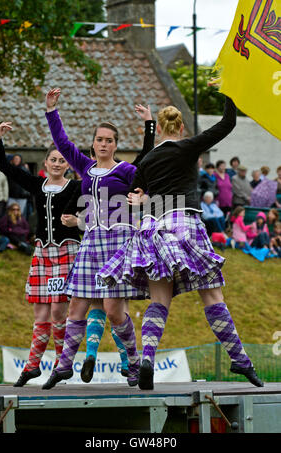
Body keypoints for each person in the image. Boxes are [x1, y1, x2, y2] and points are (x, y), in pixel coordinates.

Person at [97, 94, 263, 390]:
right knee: (212, 297)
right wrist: (229, 95)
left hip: (152, 226)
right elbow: (228, 123)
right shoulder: (188, 147)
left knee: (159, 300)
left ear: (159, 129)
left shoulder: (147, 160)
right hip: (183, 222)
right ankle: (241, 360)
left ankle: (147, 358)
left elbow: (138, 192)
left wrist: (139, 198)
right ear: (181, 127)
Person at [42, 88, 156, 390]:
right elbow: (63, 144)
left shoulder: (127, 170)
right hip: (92, 241)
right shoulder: (85, 167)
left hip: (119, 242)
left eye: (109, 140)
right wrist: (52, 111)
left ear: (115, 145)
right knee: (76, 306)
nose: (103, 144)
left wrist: (149, 124)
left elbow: (148, 166)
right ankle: (65, 365)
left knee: (113, 311)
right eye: (99, 139)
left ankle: (132, 361)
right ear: (93, 144)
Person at [0, 124, 82, 387]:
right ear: (45, 163)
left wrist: (78, 220)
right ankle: (32, 366)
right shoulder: (37, 184)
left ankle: (60, 365)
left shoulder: (77, 187)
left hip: (67, 251)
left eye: (61, 160)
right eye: (53, 159)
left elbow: (98, 207)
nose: (56, 163)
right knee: (40, 314)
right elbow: (8, 169)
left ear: (68, 164)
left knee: (58, 311)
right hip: (42, 251)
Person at [6, 153, 31, 218]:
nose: (16, 160)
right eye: (15, 159)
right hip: (11, 196)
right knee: (10, 213)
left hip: (22, 196)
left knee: (21, 214)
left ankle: (20, 227)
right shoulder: (9, 169)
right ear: (12, 160)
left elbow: (29, 182)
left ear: (20, 160)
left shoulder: (25, 170)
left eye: (18, 159)